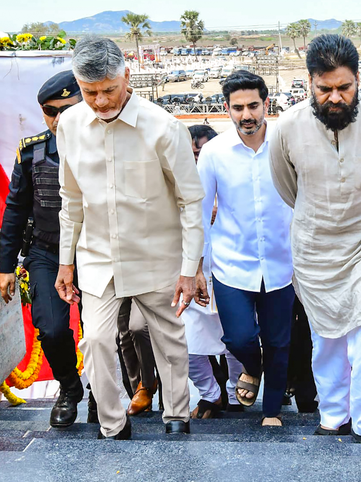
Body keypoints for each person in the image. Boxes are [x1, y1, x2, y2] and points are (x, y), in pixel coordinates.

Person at [54, 35, 205, 439]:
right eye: (90, 92)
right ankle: (112, 423)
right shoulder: (69, 125)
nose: (101, 101)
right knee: (96, 341)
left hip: (157, 254)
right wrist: (65, 262)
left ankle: (177, 414)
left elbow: (191, 201)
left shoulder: (164, 127)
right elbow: (71, 199)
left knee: (168, 340)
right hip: (97, 257)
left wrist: (189, 268)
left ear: (127, 77)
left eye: (109, 90)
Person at [269, 34, 361, 444]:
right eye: (324, 88)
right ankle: (333, 414)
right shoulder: (288, 126)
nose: (334, 98)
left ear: (358, 80)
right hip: (315, 245)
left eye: (344, 87)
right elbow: (287, 187)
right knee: (326, 335)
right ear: (309, 82)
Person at [195, 70, 295, 427]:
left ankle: (272, 411)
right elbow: (200, 211)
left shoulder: (286, 144)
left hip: (282, 262)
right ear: (227, 109)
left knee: (279, 341)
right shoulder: (214, 152)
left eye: (253, 105)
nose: (246, 114)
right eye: (238, 108)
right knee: (238, 337)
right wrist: (197, 268)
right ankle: (253, 365)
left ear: (266, 104)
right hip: (231, 263)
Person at [0, 71, 84, 428]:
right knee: (50, 328)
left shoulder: (105, 146)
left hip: (96, 253)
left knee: (104, 332)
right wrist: (5, 266)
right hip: (46, 252)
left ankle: (105, 396)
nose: (59, 119)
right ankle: (70, 388)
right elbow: (15, 210)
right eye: (51, 111)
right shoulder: (32, 152)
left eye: (68, 109)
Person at [185, 124, 243, 418]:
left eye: (203, 153)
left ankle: (235, 394)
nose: (198, 159)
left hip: (231, 269)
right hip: (188, 271)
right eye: (193, 154)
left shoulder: (234, 176)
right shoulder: (176, 181)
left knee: (236, 341)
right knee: (187, 343)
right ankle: (210, 394)